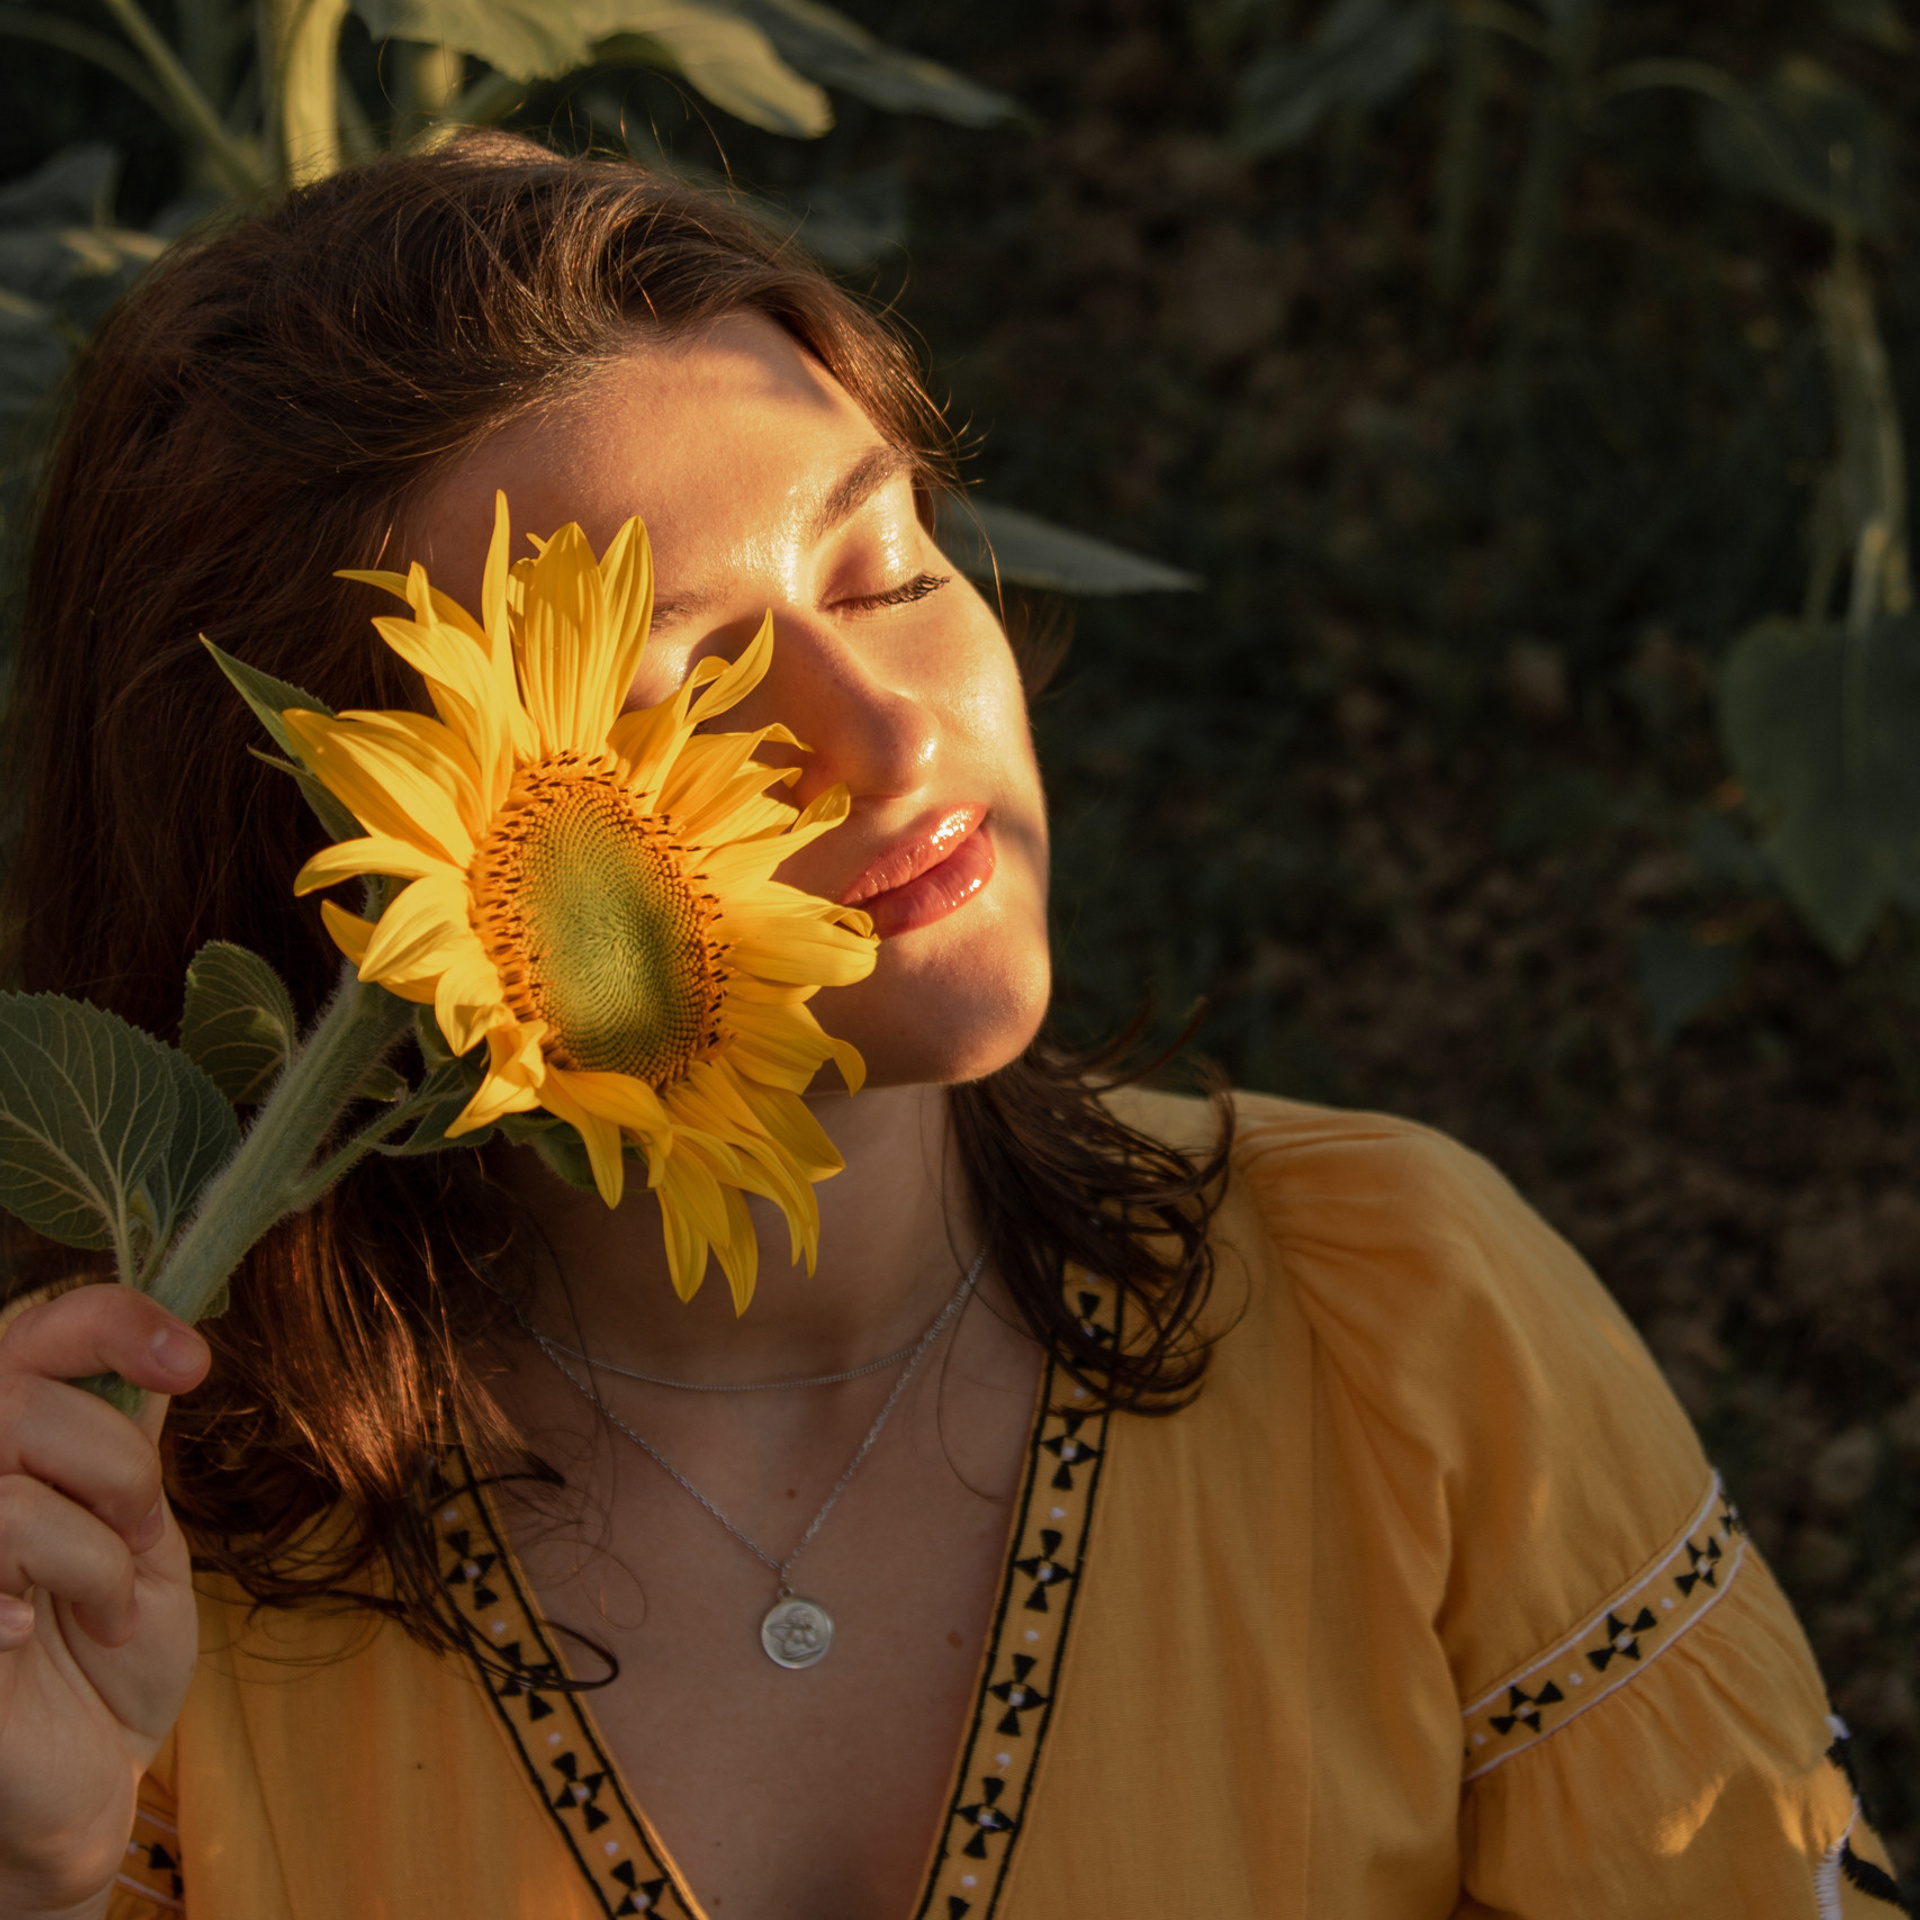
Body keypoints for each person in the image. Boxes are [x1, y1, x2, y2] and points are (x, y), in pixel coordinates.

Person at [0, 133, 1904, 1920]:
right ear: (354, 854)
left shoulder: (1400, 1329)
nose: (899, 730)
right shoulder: (125, 1555)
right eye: (679, 696)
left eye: (889, 569)